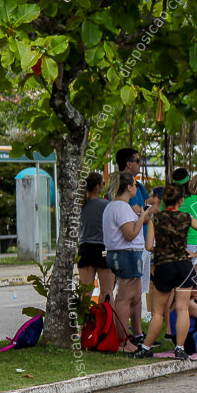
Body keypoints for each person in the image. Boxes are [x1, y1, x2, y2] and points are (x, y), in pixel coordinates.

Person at [131, 185, 197, 359]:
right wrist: (196, 253)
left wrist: (160, 250)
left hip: (163, 266)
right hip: (184, 266)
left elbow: (148, 246)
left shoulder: (155, 218)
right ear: (181, 201)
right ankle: (180, 349)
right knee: (183, 308)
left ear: (162, 201)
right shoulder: (187, 217)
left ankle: (145, 349)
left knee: (158, 312)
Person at [103, 173, 156, 351]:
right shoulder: (122, 208)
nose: (136, 188)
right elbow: (130, 234)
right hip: (126, 255)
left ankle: (133, 336)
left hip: (124, 254)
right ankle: (123, 341)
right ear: (128, 187)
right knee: (125, 299)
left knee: (133, 297)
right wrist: (143, 216)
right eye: (134, 184)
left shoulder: (113, 207)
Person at [116, 148, 159, 316]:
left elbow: (147, 204)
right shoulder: (124, 186)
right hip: (131, 242)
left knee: (144, 281)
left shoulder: (138, 185)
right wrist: (149, 212)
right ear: (129, 163)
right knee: (130, 286)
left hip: (142, 240)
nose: (141, 164)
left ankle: (145, 316)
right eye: (138, 161)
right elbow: (139, 215)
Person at [78, 171, 114, 303]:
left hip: (84, 249)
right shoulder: (105, 205)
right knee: (107, 291)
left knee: (85, 292)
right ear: (98, 186)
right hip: (101, 249)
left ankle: (83, 323)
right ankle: (106, 322)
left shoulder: (80, 206)